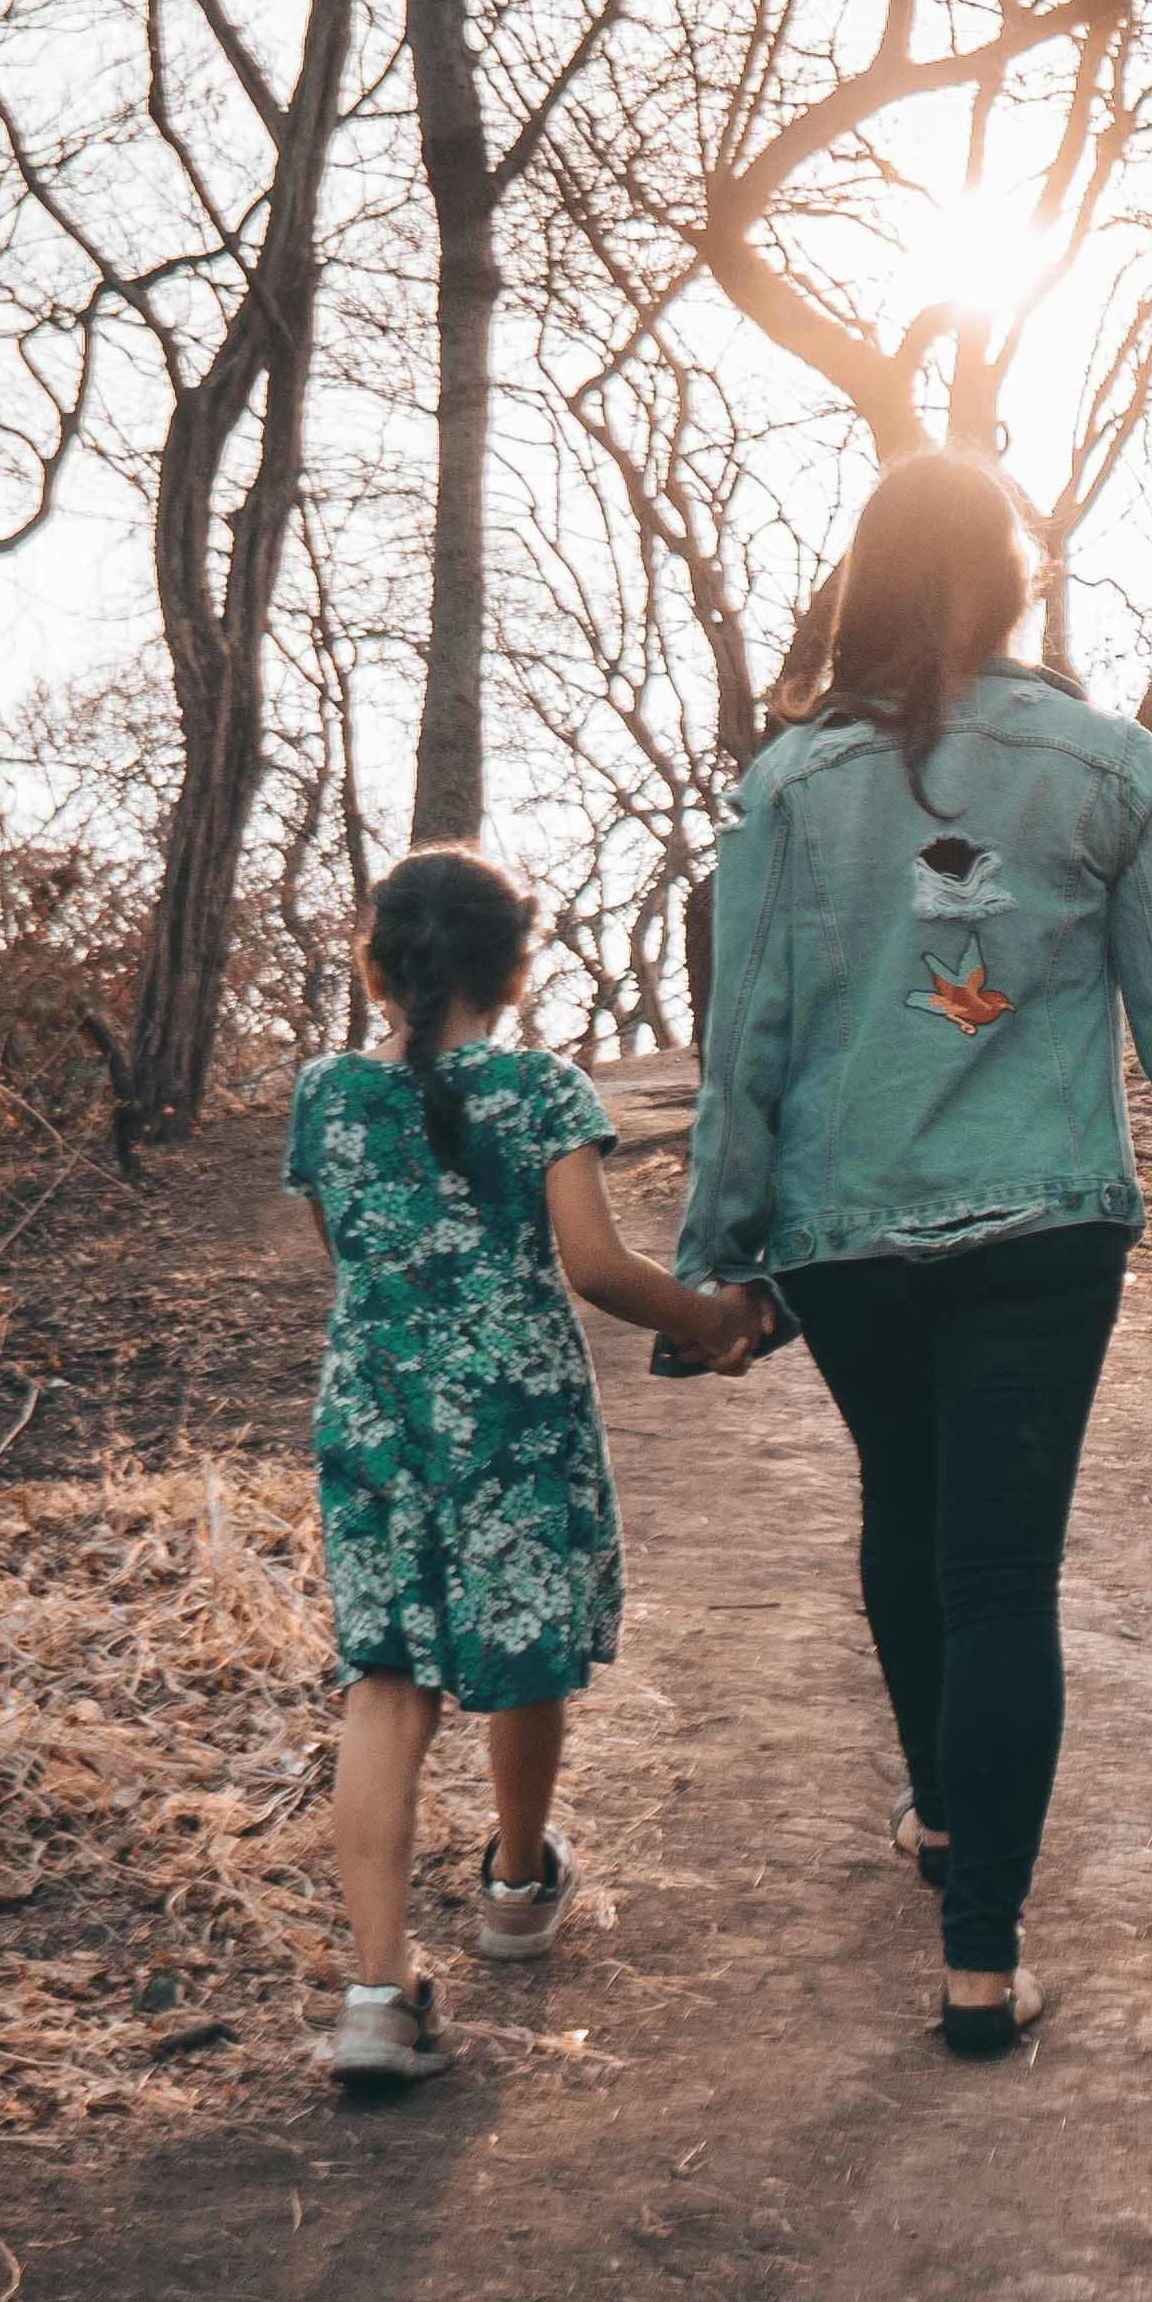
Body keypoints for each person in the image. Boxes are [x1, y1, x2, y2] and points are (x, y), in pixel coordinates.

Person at [676, 447, 1152, 2059]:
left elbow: (746, 1028)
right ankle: (978, 1955)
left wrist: (720, 1254)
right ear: (1015, 583)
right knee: (1001, 1567)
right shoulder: (1108, 768)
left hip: (845, 1230)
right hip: (1043, 1230)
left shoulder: (790, 784)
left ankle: (949, 1812)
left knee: (907, 1505)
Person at [291, 846, 758, 2098]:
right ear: (514, 966)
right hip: (512, 1413)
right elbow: (597, 1269)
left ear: (378, 965)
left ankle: (378, 1993)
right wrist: (712, 1320)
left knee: (385, 1679)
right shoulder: (541, 1090)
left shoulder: (325, 1095)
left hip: (377, 1412)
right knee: (527, 1643)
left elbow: (353, 1247)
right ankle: (512, 1884)